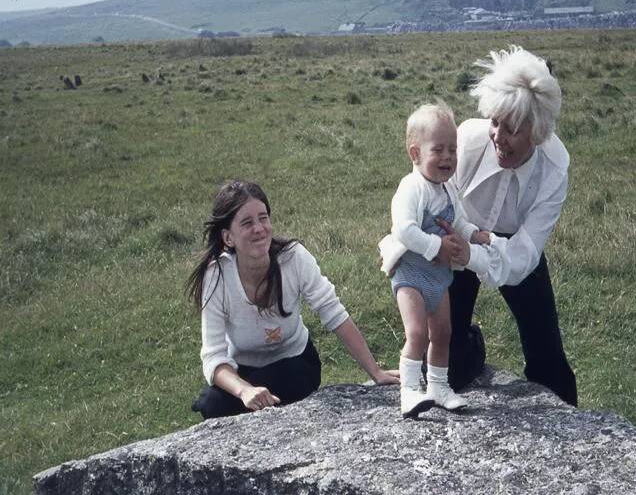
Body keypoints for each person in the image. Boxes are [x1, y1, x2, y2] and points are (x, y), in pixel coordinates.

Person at [187, 179, 399, 419]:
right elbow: (214, 356)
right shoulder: (216, 277)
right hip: (244, 373)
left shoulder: (293, 258)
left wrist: (376, 372)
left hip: (294, 365)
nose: (259, 228)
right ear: (228, 237)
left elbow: (333, 312)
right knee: (211, 404)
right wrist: (245, 390)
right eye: (247, 223)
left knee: (293, 381)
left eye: (263, 218)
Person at [442, 45, 578, 406]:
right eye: (495, 122)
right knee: (447, 369)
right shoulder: (467, 139)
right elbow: (435, 200)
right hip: (458, 238)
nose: (499, 137)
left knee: (548, 359)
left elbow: (525, 254)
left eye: (512, 129)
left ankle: (573, 427)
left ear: (538, 131)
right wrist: (466, 245)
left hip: (515, 247)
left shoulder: (554, 167)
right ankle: (471, 342)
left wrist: (485, 251)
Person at [379, 102, 491, 417]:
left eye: (453, 150)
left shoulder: (446, 189)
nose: (447, 157)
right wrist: (436, 247)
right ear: (415, 154)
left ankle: (438, 386)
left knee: (443, 332)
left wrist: (473, 234)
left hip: (439, 278)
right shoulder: (411, 188)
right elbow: (403, 229)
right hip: (411, 274)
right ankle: (409, 391)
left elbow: (458, 220)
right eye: (438, 149)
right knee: (417, 333)